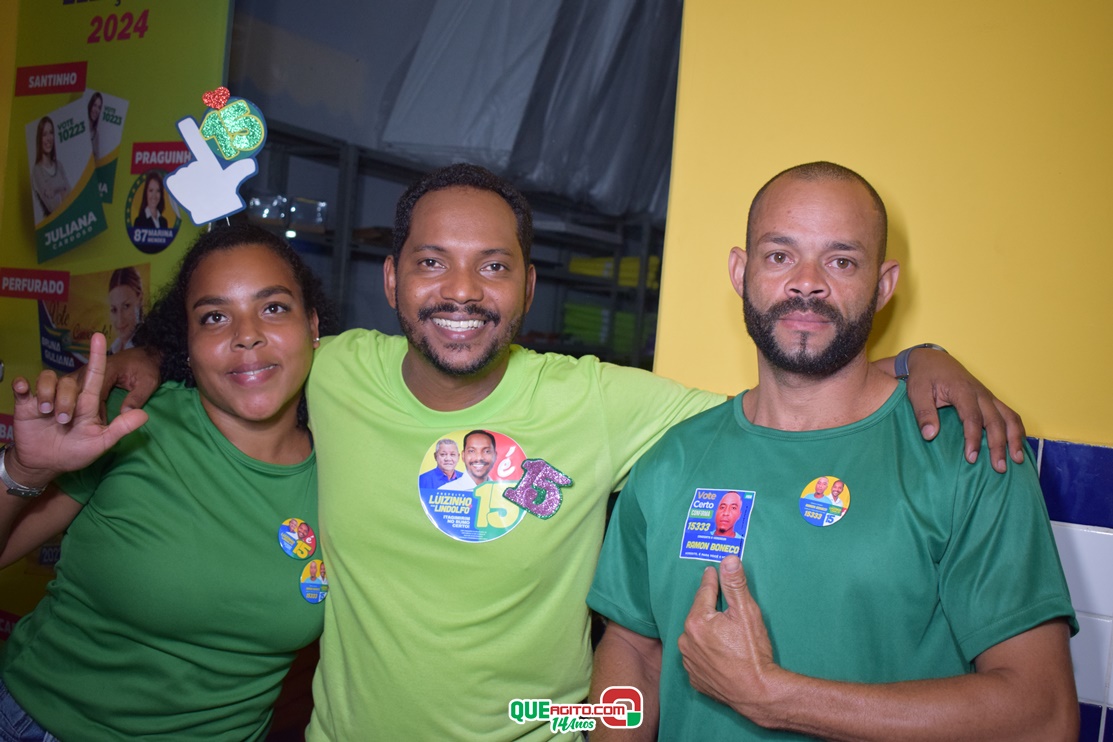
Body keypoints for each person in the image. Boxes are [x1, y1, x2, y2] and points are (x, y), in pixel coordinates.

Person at [92, 164, 1027, 741]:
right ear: (391, 280)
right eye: (432, 262)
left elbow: (790, 394)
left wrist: (914, 360)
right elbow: (238, 349)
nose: (462, 291)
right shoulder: (334, 373)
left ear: (529, 288)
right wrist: (144, 358)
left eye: (493, 266)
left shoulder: (597, 401)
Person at [586, 162, 1077, 741]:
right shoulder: (671, 461)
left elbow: (1043, 716)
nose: (807, 283)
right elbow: (635, 652)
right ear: (741, 272)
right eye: (780, 256)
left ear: (883, 285)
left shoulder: (966, 452)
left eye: (841, 261)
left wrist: (775, 698)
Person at [0, 224, 337, 740]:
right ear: (189, 341)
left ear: (312, 325)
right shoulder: (130, 423)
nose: (246, 334)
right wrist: (24, 471)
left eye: (273, 307)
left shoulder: (345, 468)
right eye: (214, 316)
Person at [30, 116, 70, 217]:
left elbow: (70, 195)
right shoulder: (37, 171)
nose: (49, 138)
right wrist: (62, 189)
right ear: (39, 139)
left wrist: (55, 190)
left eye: (51, 132)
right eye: (44, 134)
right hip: (53, 224)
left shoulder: (59, 165)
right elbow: (53, 206)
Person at [107, 266, 144, 354]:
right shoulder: (110, 352)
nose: (120, 320)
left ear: (140, 299)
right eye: (114, 310)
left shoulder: (149, 350)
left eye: (126, 306)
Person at [88, 91, 103, 161]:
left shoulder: (96, 135)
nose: (96, 110)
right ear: (90, 105)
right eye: (94, 105)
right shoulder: (81, 127)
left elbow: (97, 159)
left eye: (99, 107)